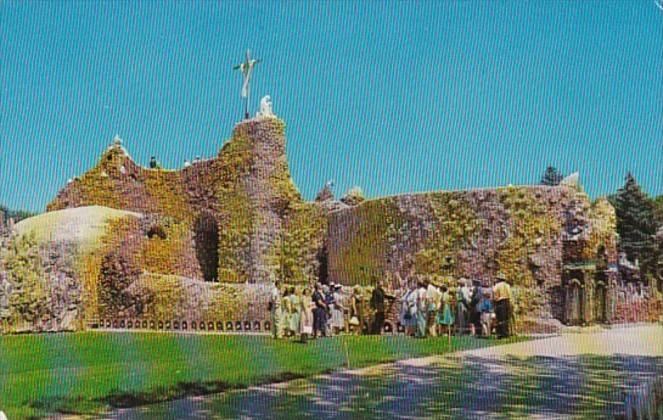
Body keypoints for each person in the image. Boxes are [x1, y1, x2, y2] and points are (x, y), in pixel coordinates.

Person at [493, 273, 513, 339]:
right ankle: (506, 332)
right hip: (507, 301)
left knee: (500, 318)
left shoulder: (497, 286)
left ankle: (501, 333)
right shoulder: (507, 285)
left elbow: (495, 296)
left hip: (500, 302)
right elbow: (510, 295)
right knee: (506, 319)